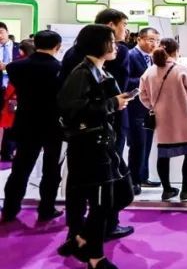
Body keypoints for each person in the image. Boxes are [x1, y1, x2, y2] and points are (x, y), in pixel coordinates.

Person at [57, 24, 135, 269]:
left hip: (103, 143)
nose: (116, 45)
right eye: (111, 40)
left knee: (121, 194)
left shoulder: (99, 70)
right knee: (101, 203)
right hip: (90, 147)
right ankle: (95, 257)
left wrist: (115, 102)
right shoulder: (82, 73)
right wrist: (112, 104)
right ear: (98, 43)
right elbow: (71, 110)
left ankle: (80, 239)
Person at [1, 30, 64, 223]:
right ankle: (46, 209)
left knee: (20, 168)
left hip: (26, 121)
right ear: (58, 47)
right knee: (51, 170)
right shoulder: (60, 69)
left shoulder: (16, 67)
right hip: (53, 124)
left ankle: (10, 209)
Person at [139, 38, 187, 202]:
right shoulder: (182, 70)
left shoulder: (148, 72)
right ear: (176, 51)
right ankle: (186, 189)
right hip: (184, 119)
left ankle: (167, 190)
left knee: (163, 155)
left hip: (162, 121)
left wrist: (153, 105)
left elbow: (142, 96)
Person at [123, 27, 161, 194]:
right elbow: (125, 80)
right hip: (134, 108)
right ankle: (133, 180)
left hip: (149, 108)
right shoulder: (130, 55)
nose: (155, 44)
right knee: (137, 145)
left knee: (146, 144)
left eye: (157, 41)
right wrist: (144, 81)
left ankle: (142, 176)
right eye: (151, 40)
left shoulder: (153, 57)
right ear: (139, 39)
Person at [0, 22, 23, 162]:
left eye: (1, 32)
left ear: (7, 32)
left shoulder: (19, 47)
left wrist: (7, 66)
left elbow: (24, 65)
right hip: (0, 88)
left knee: (12, 121)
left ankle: (9, 151)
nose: (0, 35)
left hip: (14, 90)